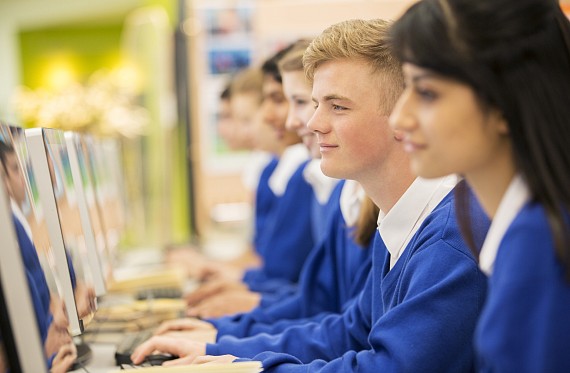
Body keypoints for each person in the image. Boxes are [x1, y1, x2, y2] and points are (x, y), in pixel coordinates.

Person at [131, 18, 489, 372]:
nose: (312, 123)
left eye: (338, 106)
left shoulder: (450, 237)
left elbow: (389, 367)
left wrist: (253, 368)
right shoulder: (396, 223)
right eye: (315, 104)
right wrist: (220, 346)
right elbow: (350, 332)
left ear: (405, 116)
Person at [388, 0, 570, 371]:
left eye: (426, 93)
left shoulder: (539, 238)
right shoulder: (524, 223)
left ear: (505, 102)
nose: (399, 117)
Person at [153, 40, 376, 340]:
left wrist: (228, 334)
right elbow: (330, 309)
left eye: (292, 101)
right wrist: (225, 334)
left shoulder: (331, 186)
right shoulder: (342, 192)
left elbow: (346, 326)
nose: (289, 120)